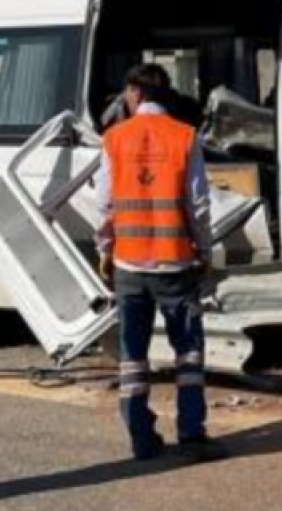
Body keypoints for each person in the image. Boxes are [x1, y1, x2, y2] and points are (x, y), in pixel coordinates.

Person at [95, 63, 226, 463]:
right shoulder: (185, 137)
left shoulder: (113, 138)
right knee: (188, 352)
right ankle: (191, 433)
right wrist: (203, 251)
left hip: (130, 266)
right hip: (175, 265)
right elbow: (199, 205)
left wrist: (105, 250)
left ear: (135, 94)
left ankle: (141, 438)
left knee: (133, 356)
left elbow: (104, 203)